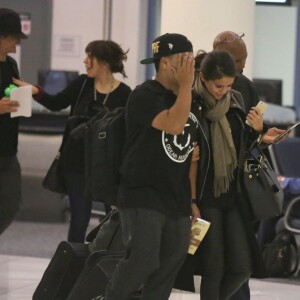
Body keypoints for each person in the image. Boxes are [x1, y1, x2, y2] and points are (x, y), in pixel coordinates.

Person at [95, 33, 200, 300]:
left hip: (175, 196)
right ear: (166, 63)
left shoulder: (188, 97)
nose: (191, 67)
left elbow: (189, 151)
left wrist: (192, 198)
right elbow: (174, 125)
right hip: (142, 192)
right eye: (185, 61)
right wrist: (187, 87)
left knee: (170, 263)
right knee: (143, 260)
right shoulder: (145, 95)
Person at [14, 40, 132, 243]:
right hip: (76, 162)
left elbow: (128, 131)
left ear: (103, 63)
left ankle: (103, 263)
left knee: (111, 219)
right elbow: (56, 103)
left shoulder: (124, 93)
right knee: (79, 219)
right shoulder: (82, 83)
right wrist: (37, 91)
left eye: (90, 57)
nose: (85, 61)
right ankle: (73, 267)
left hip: (107, 167)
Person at [175, 49, 267, 299]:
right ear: (202, 77)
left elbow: (244, 144)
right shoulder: (191, 104)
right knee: (213, 268)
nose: (223, 91)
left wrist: (259, 131)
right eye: (219, 85)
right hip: (205, 194)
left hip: (234, 192)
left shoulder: (236, 100)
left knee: (241, 267)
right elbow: (189, 159)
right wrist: (192, 201)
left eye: (228, 84)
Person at [213, 31, 286, 300]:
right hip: (213, 185)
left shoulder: (245, 85)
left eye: (244, 59)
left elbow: (253, 130)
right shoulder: (202, 87)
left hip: (239, 184)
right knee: (219, 261)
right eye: (237, 59)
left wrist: (264, 134)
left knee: (239, 259)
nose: (242, 64)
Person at [0, 8, 28, 235]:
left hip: (8, 150)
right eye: (13, 37)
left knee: (11, 204)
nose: (17, 43)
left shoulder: (11, 64)